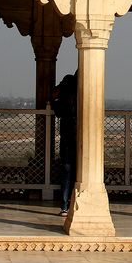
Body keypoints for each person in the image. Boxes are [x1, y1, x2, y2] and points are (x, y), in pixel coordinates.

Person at [50, 71, 78, 216]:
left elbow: (55, 105)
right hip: (80, 137)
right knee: (78, 171)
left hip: (67, 136)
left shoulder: (64, 97)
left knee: (67, 170)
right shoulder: (78, 95)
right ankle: (74, 202)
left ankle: (65, 205)